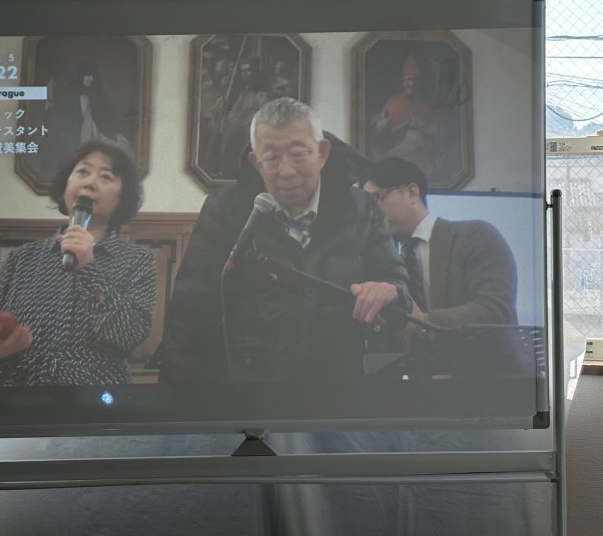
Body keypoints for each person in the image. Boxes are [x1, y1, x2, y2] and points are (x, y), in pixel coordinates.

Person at [161, 97, 410, 382]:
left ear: (322, 153)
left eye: (298, 154)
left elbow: (398, 293)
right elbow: (190, 313)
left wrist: (390, 291)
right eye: (271, 158)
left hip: (338, 386)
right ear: (256, 162)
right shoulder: (226, 209)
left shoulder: (361, 208)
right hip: (248, 387)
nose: (287, 171)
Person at [0, 140, 156, 386]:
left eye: (106, 176)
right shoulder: (22, 258)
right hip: (19, 394)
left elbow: (129, 335)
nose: (90, 182)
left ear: (122, 199)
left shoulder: (137, 260)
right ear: (64, 188)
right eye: (82, 171)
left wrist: (89, 268)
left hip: (94, 398)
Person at [359, 157, 517, 336]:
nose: (371, 213)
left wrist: (423, 322)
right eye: (366, 206)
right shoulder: (388, 265)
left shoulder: (476, 235)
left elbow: (496, 311)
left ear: (412, 193)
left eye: (376, 198)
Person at [369, 52, 436, 177]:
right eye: (404, 80)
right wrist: (381, 125)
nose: (406, 83)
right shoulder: (393, 102)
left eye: (410, 79)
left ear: (417, 82)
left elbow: (431, 132)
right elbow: (382, 131)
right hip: (396, 158)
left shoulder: (423, 106)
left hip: (419, 161)